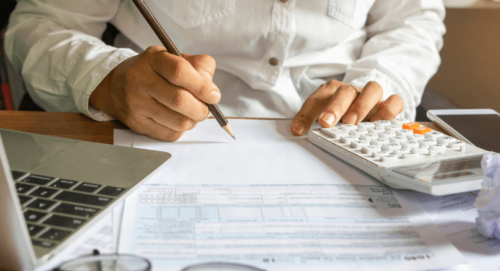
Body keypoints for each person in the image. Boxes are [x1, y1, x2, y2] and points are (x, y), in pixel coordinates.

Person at [5, 0, 445, 141]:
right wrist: (106, 78)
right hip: (151, 134)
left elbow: (413, 20)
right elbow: (42, 23)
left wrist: (378, 84)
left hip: (344, 137)